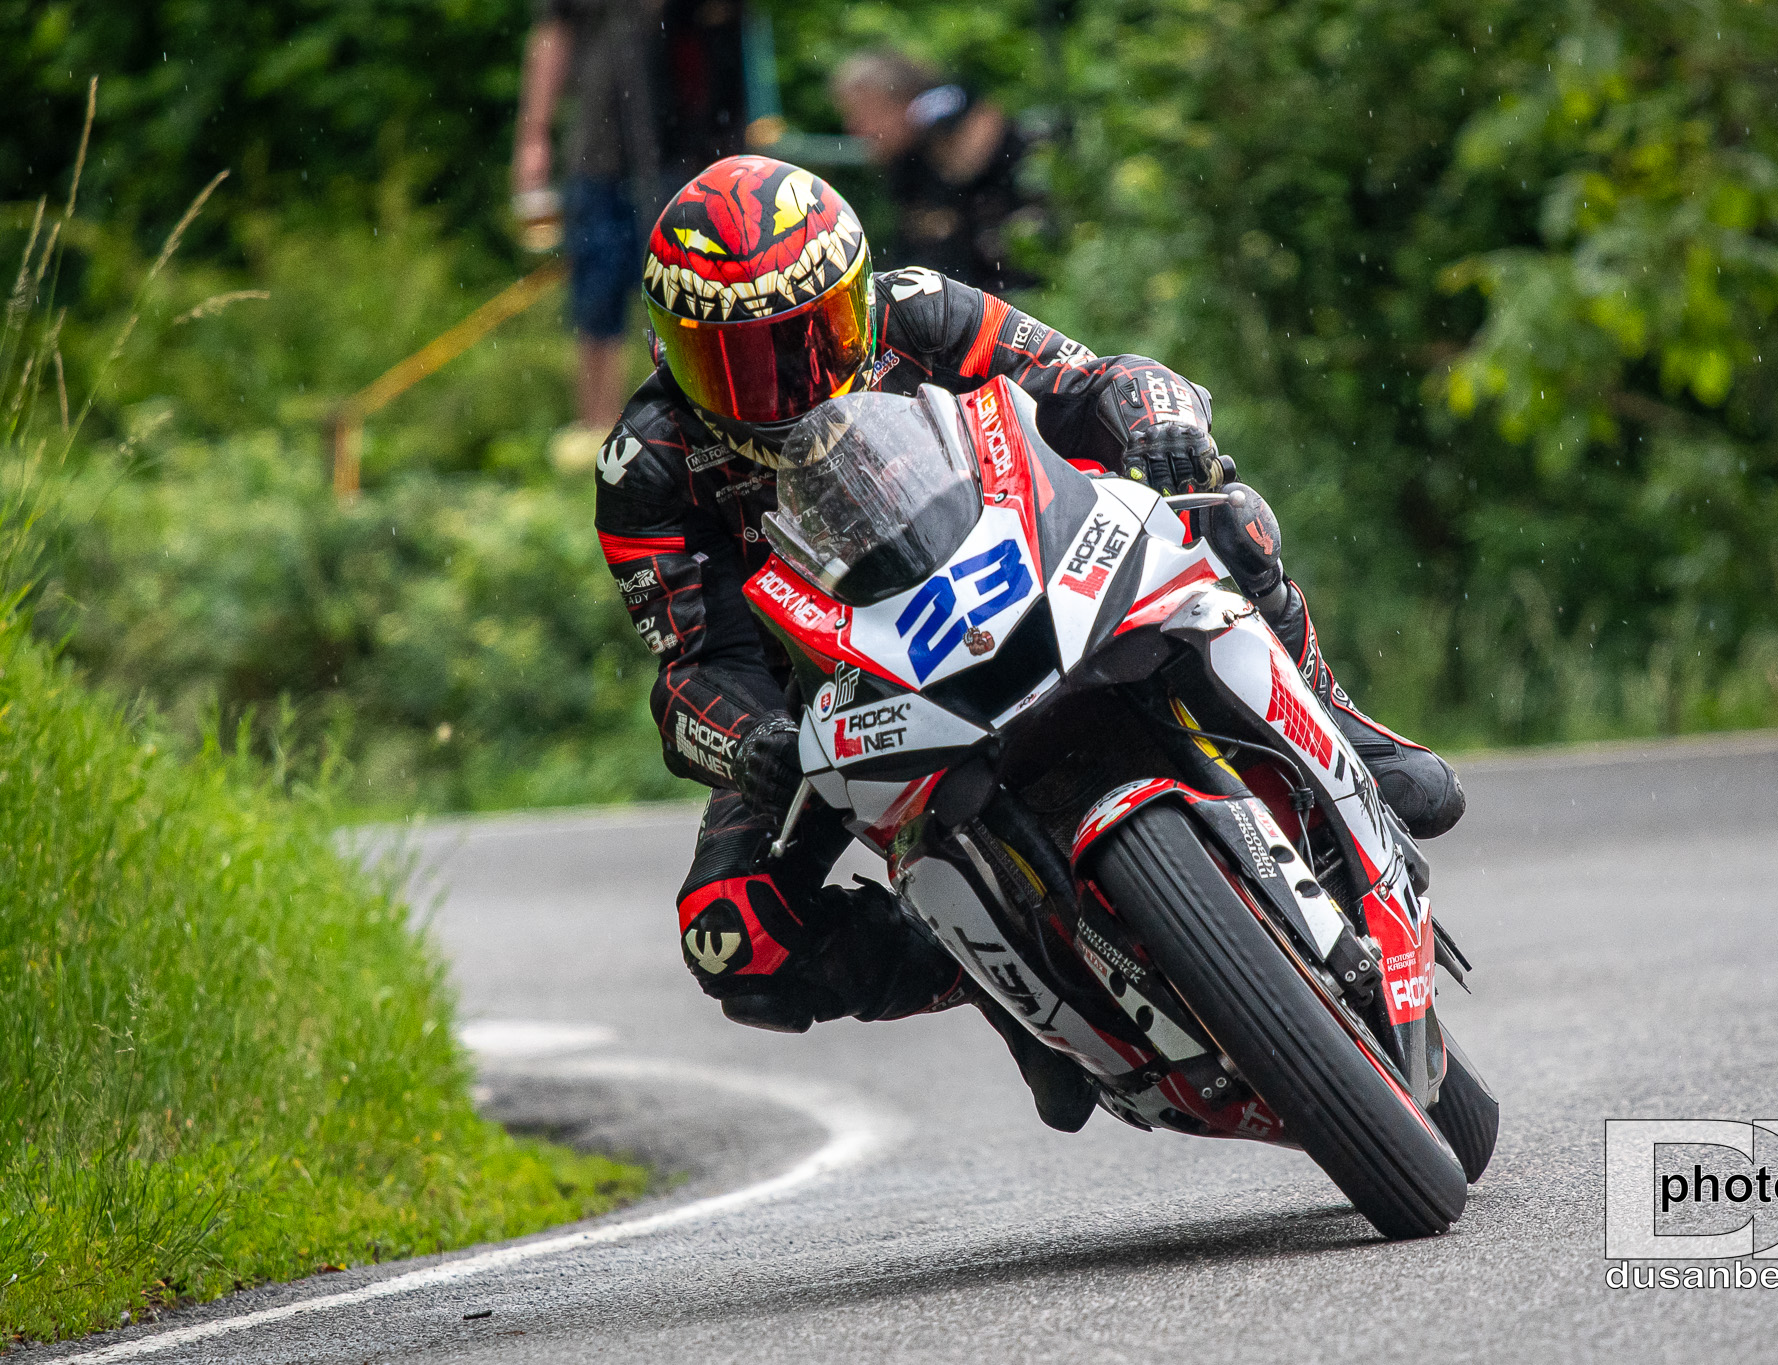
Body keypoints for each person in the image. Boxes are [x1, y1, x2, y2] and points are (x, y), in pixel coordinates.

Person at [595, 155, 1464, 1130]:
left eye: (811, 336)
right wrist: (748, 739)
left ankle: (1342, 727)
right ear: (672, 348)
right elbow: (695, 663)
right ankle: (993, 978)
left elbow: (1091, 382)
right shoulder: (646, 467)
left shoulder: (920, 310)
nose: (784, 385)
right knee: (732, 939)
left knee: (1230, 516)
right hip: (835, 694)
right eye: (739, 363)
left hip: (1024, 554)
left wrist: (1161, 422)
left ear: (857, 299)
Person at [514, 0, 750, 437]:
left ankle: (696, 421)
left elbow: (730, 36)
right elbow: (552, 35)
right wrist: (533, 138)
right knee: (596, 293)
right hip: (598, 154)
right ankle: (599, 427)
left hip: (686, 153)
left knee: (692, 290)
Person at [830, 47, 1043, 295]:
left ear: (898, 99)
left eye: (861, 112)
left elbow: (981, 129)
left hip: (1018, 281)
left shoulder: (941, 105)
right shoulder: (904, 165)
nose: (853, 127)